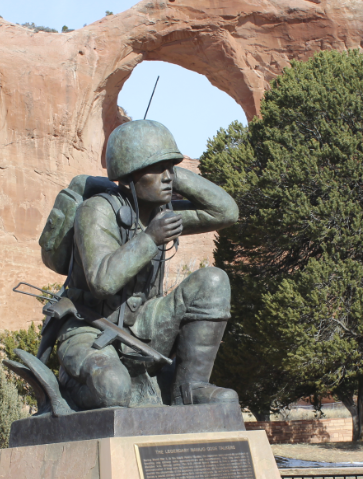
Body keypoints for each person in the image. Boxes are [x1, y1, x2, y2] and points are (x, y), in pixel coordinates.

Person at [56, 119, 240, 410]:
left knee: (213, 281)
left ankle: (190, 390)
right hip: (88, 327)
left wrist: (172, 171)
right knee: (114, 392)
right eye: (159, 169)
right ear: (130, 174)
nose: (168, 177)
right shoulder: (97, 210)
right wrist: (150, 238)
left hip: (144, 322)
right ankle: (69, 387)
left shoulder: (160, 211)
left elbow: (225, 212)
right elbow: (102, 281)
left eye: (171, 168)